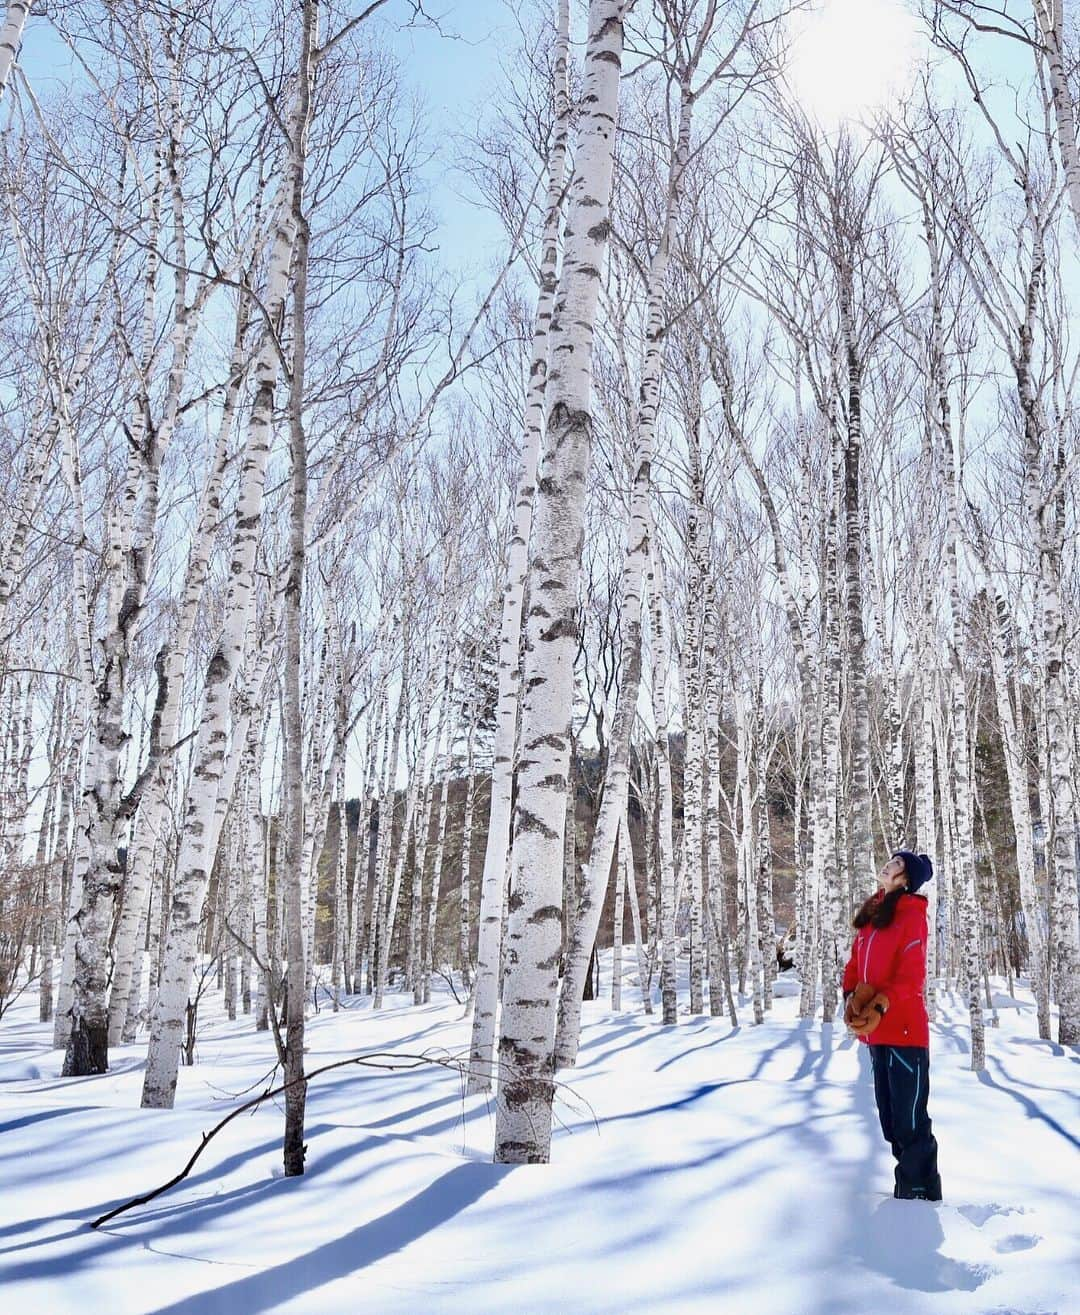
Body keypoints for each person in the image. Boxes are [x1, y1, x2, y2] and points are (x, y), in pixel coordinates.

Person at [841, 849, 942, 1202]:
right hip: (877, 1032)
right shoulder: (873, 915)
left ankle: (919, 1194)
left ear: (906, 879)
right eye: (893, 859)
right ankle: (909, 1189)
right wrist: (850, 996)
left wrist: (882, 1003)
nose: (890, 863)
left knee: (909, 1119)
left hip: (904, 1030)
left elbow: (911, 976)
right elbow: (855, 963)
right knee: (889, 1119)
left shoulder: (911, 915)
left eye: (898, 864)